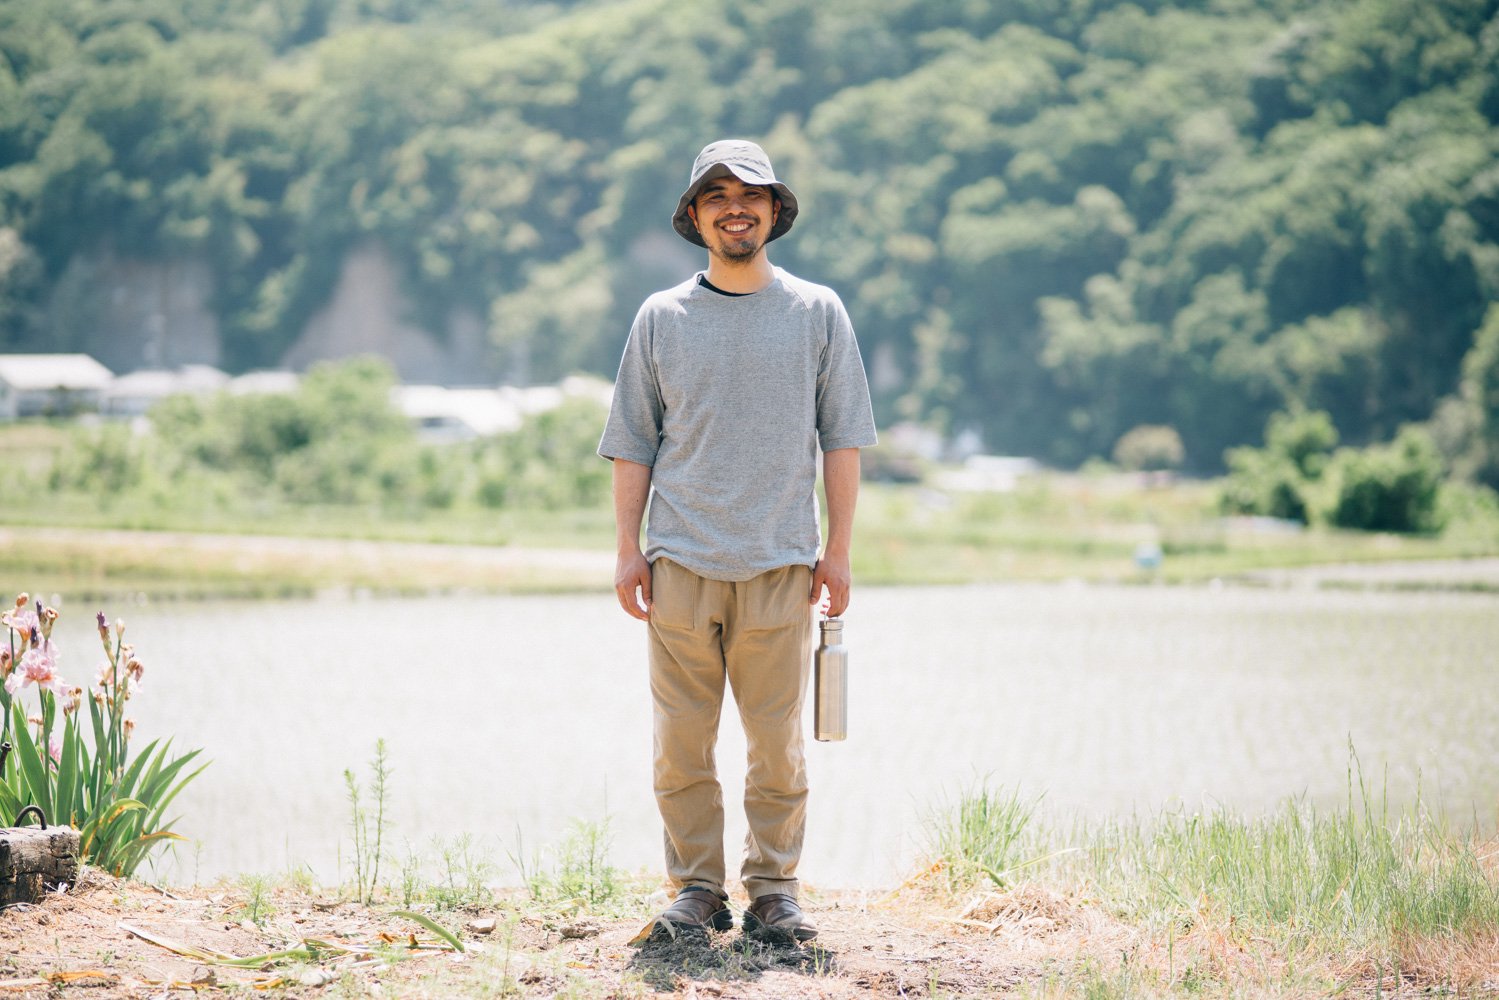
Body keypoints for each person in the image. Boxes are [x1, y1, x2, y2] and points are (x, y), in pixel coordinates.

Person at [598, 139, 877, 942]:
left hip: (782, 562)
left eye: (751, 193)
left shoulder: (817, 312)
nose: (735, 205)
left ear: (774, 212)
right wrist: (627, 548)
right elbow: (633, 442)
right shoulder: (660, 317)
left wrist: (840, 551)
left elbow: (843, 440)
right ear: (693, 215)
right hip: (679, 563)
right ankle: (696, 890)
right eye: (716, 193)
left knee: (776, 746)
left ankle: (773, 892)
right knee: (681, 745)